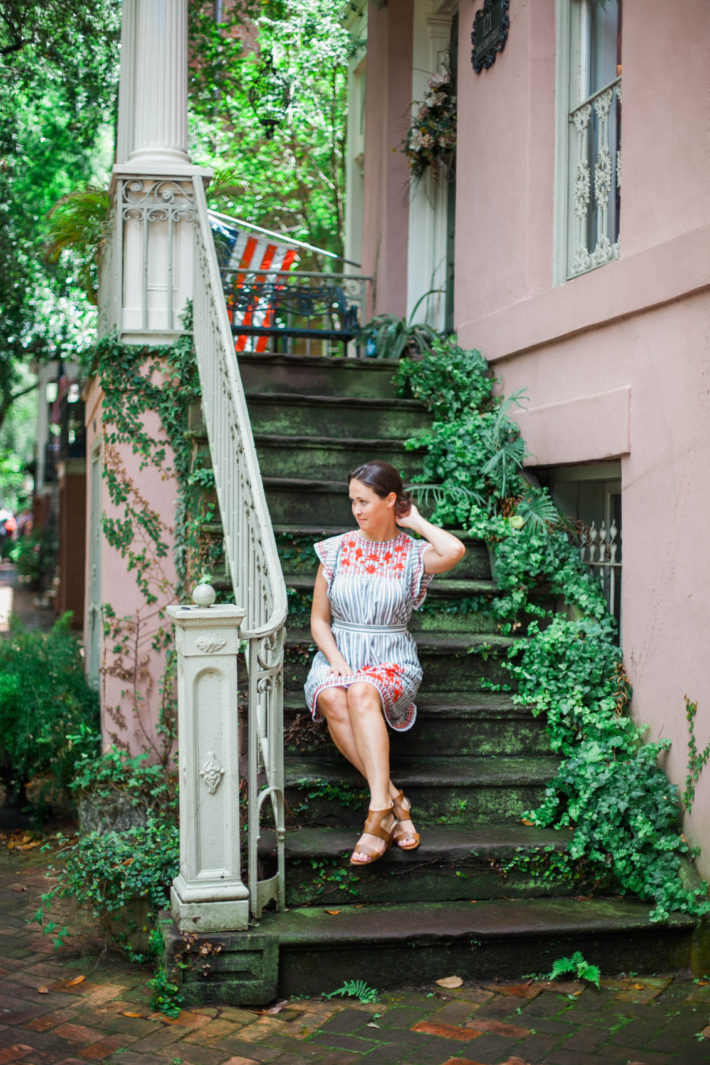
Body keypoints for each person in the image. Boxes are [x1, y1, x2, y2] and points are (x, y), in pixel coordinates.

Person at [304, 460, 466, 867]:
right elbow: (318, 621)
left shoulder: (413, 555)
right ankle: (394, 801)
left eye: (364, 501)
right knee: (333, 695)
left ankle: (378, 815)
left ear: (389, 500)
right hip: (339, 653)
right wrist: (337, 661)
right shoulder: (335, 549)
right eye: (352, 501)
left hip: (392, 659)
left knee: (362, 690)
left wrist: (415, 521)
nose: (356, 510)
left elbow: (455, 551)